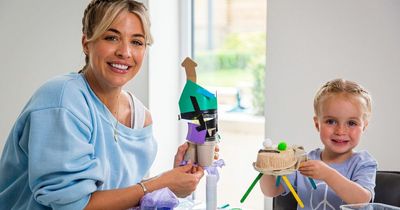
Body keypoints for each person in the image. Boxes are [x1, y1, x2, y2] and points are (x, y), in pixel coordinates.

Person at [0, 0, 207, 209]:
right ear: (86, 43)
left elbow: (123, 196)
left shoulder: (139, 117)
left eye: (137, 42)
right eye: (111, 37)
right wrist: (159, 183)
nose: (125, 52)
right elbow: (73, 206)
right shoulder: (63, 100)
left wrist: (174, 180)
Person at [260, 79, 377, 209]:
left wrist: (327, 174)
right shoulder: (303, 161)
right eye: (331, 121)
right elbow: (270, 191)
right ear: (317, 124)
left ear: (364, 126)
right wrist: (269, 167)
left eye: (351, 123)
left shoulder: (364, 163)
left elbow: (362, 200)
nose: (341, 131)